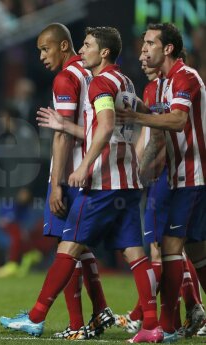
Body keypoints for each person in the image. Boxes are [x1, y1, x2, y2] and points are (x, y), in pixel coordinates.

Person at [0, 26, 162, 343]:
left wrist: (82, 165)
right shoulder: (126, 82)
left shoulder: (96, 82)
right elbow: (146, 117)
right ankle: (151, 325)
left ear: (103, 52)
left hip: (100, 180)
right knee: (134, 254)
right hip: (128, 180)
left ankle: (38, 317)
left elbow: (104, 126)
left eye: (86, 45)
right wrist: (143, 154)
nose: (81, 50)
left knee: (68, 246)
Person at [118, 22, 206, 342]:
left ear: (167, 48)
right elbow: (155, 137)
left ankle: (162, 327)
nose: (143, 51)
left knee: (167, 249)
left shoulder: (186, 77)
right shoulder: (158, 87)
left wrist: (136, 116)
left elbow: (180, 120)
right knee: (196, 255)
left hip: (194, 177)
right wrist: (137, 174)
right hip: (175, 178)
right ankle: (185, 313)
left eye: (149, 44)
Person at [33, 23, 113, 340]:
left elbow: (62, 134)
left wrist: (56, 184)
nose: (41, 56)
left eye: (45, 48)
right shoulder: (93, 71)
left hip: (72, 173)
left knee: (67, 247)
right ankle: (101, 310)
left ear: (64, 46)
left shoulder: (66, 77)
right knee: (80, 246)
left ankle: (76, 324)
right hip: (96, 171)